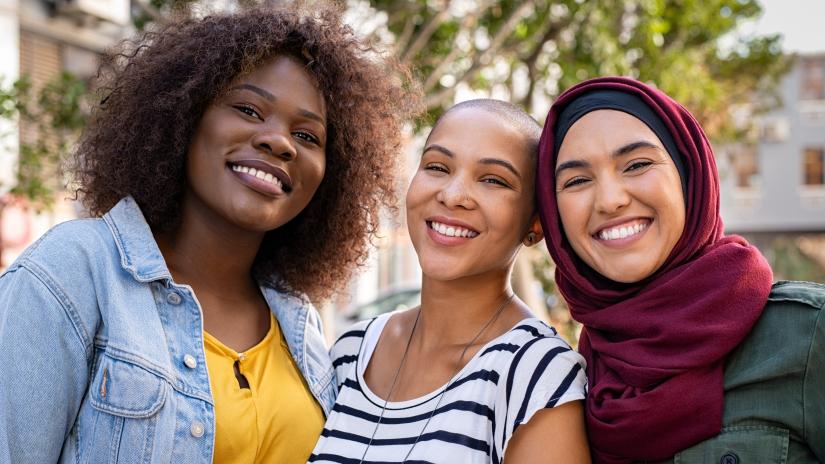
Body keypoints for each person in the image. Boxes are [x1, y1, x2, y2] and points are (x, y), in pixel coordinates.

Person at [0, 5, 417, 463]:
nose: (279, 142)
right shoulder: (75, 272)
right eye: (247, 109)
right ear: (184, 116)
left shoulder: (299, 324)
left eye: (308, 136)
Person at [536, 76, 825, 463]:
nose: (609, 200)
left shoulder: (807, 337)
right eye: (577, 180)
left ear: (690, 176)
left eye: (637, 164)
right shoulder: (565, 381)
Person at [310, 99, 590, 464]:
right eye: (437, 167)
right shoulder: (353, 351)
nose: (452, 195)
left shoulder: (536, 372)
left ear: (536, 223)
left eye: (493, 180)